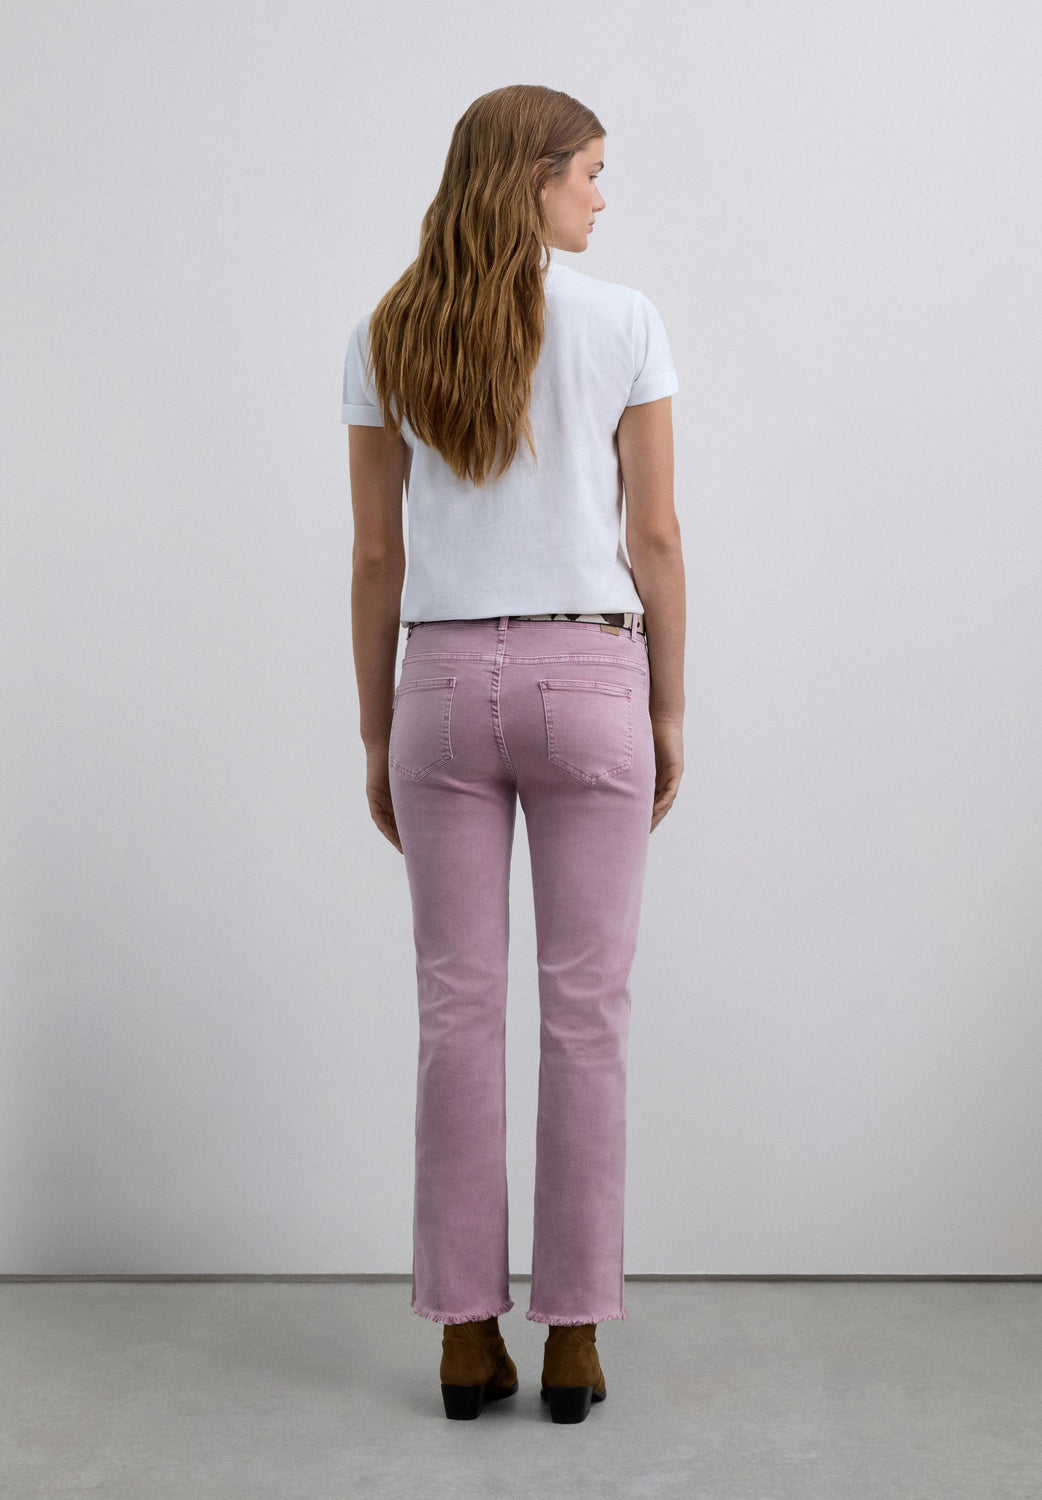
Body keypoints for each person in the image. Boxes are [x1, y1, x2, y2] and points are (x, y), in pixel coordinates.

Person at [342, 84, 685, 1424]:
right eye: (589, 170)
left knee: (456, 1010)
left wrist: (376, 726)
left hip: (437, 683)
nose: (601, 194)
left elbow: (377, 554)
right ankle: (576, 1336)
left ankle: (464, 1335)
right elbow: (654, 537)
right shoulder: (624, 321)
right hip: (590, 674)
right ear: (531, 177)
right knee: (587, 1012)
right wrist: (667, 706)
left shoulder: (389, 330)